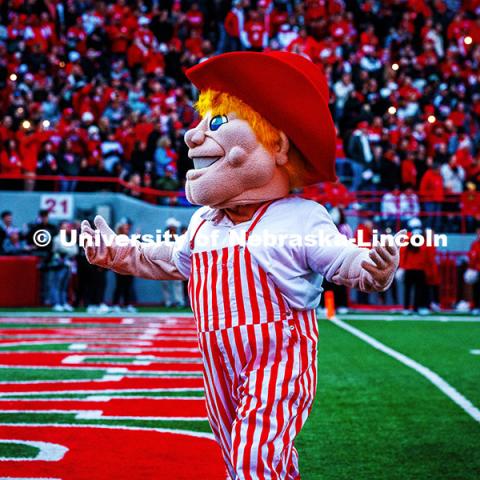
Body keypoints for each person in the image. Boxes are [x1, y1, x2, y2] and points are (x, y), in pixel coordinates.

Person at [81, 52, 402, 479]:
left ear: (277, 146)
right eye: (201, 123)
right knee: (239, 454)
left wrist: (370, 266)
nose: (193, 137)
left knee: (256, 455)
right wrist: (117, 252)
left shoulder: (298, 216)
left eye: (216, 123)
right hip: (216, 360)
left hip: (278, 357)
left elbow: (339, 257)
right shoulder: (204, 221)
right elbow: (165, 259)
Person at [50, 221, 79, 312]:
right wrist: (69, 250)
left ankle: (64, 302)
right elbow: (62, 249)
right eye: (65, 227)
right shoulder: (56, 239)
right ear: (60, 228)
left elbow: (75, 250)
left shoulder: (69, 239)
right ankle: (56, 303)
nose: (67, 228)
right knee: (57, 284)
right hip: (59, 264)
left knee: (65, 285)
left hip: (68, 263)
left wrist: (69, 250)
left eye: (67, 227)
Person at [112, 218, 136, 312]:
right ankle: (115, 304)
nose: (128, 228)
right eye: (125, 227)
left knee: (128, 286)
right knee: (119, 285)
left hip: (129, 265)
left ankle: (127, 304)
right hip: (119, 265)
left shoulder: (129, 238)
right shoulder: (117, 239)